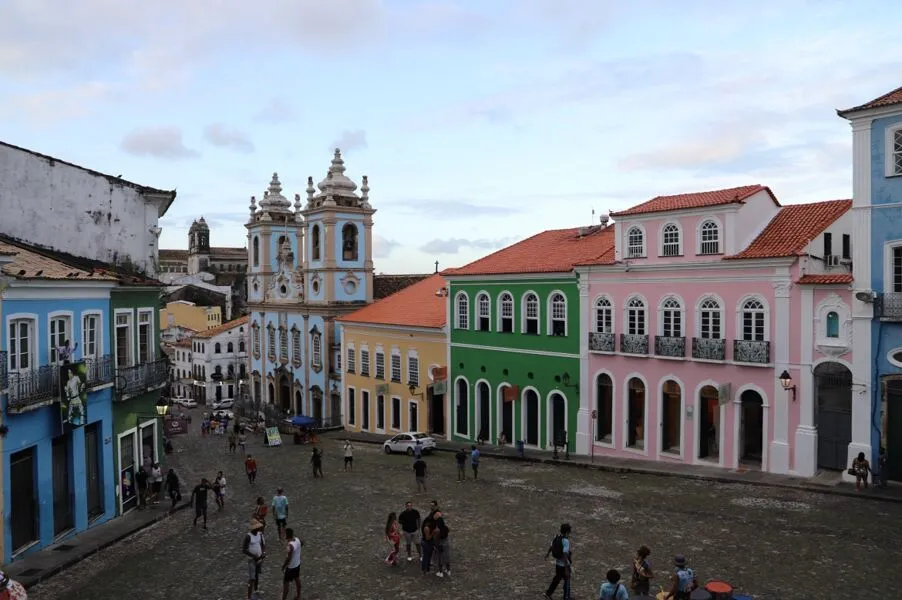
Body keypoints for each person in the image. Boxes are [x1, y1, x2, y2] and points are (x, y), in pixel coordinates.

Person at [543, 523, 572, 600]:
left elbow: (551, 546)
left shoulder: (556, 537)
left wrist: (547, 554)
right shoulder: (565, 541)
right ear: (567, 532)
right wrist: (566, 569)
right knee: (567, 582)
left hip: (558, 565)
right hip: (564, 565)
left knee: (556, 580)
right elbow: (565, 555)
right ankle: (567, 597)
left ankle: (548, 593)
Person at [243, 519, 266, 600]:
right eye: (257, 528)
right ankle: (249, 597)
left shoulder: (260, 535)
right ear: (253, 529)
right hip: (252, 560)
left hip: (259, 559)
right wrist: (253, 556)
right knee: (252, 578)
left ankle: (256, 590)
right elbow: (244, 550)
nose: (259, 529)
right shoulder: (248, 537)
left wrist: (263, 552)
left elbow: (262, 544)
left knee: (256, 575)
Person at [281, 528, 302, 600]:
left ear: (287, 535)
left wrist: (284, 566)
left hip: (291, 567)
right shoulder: (297, 539)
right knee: (297, 579)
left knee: (286, 584)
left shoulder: (290, 545)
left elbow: (288, 558)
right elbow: (301, 543)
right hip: (297, 564)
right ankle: (298, 596)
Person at [433, 511, 451, 577]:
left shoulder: (437, 530)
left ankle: (441, 572)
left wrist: (436, 546)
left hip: (440, 545)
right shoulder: (446, 528)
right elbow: (448, 531)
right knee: (447, 557)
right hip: (446, 544)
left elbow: (436, 540)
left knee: (440, 559)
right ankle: (448, 570)